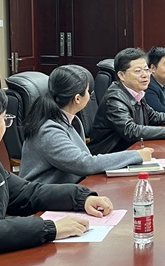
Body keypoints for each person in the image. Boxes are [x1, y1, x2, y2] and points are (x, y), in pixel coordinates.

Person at [0, 80, 114, 259]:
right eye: (5, 119)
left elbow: (25, 193)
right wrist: (49, 228)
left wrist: (80, 198)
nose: (6, 124)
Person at [20, 65, 154, 184]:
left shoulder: (70, 120)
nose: (90, 97)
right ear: (77, 99)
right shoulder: (49, 130)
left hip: (70, 189)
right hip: (45, 199)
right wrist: (136, 155)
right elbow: (84, 164)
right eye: (88, 92)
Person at [89, 48, 165, 155]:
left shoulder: (137, 92)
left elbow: (154, 116)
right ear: (121, 75)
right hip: (110, 155)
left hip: (132, 150)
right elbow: (131, 130)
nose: (145, 75)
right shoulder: (115, 98)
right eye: (138, 71)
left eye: (146, 70)